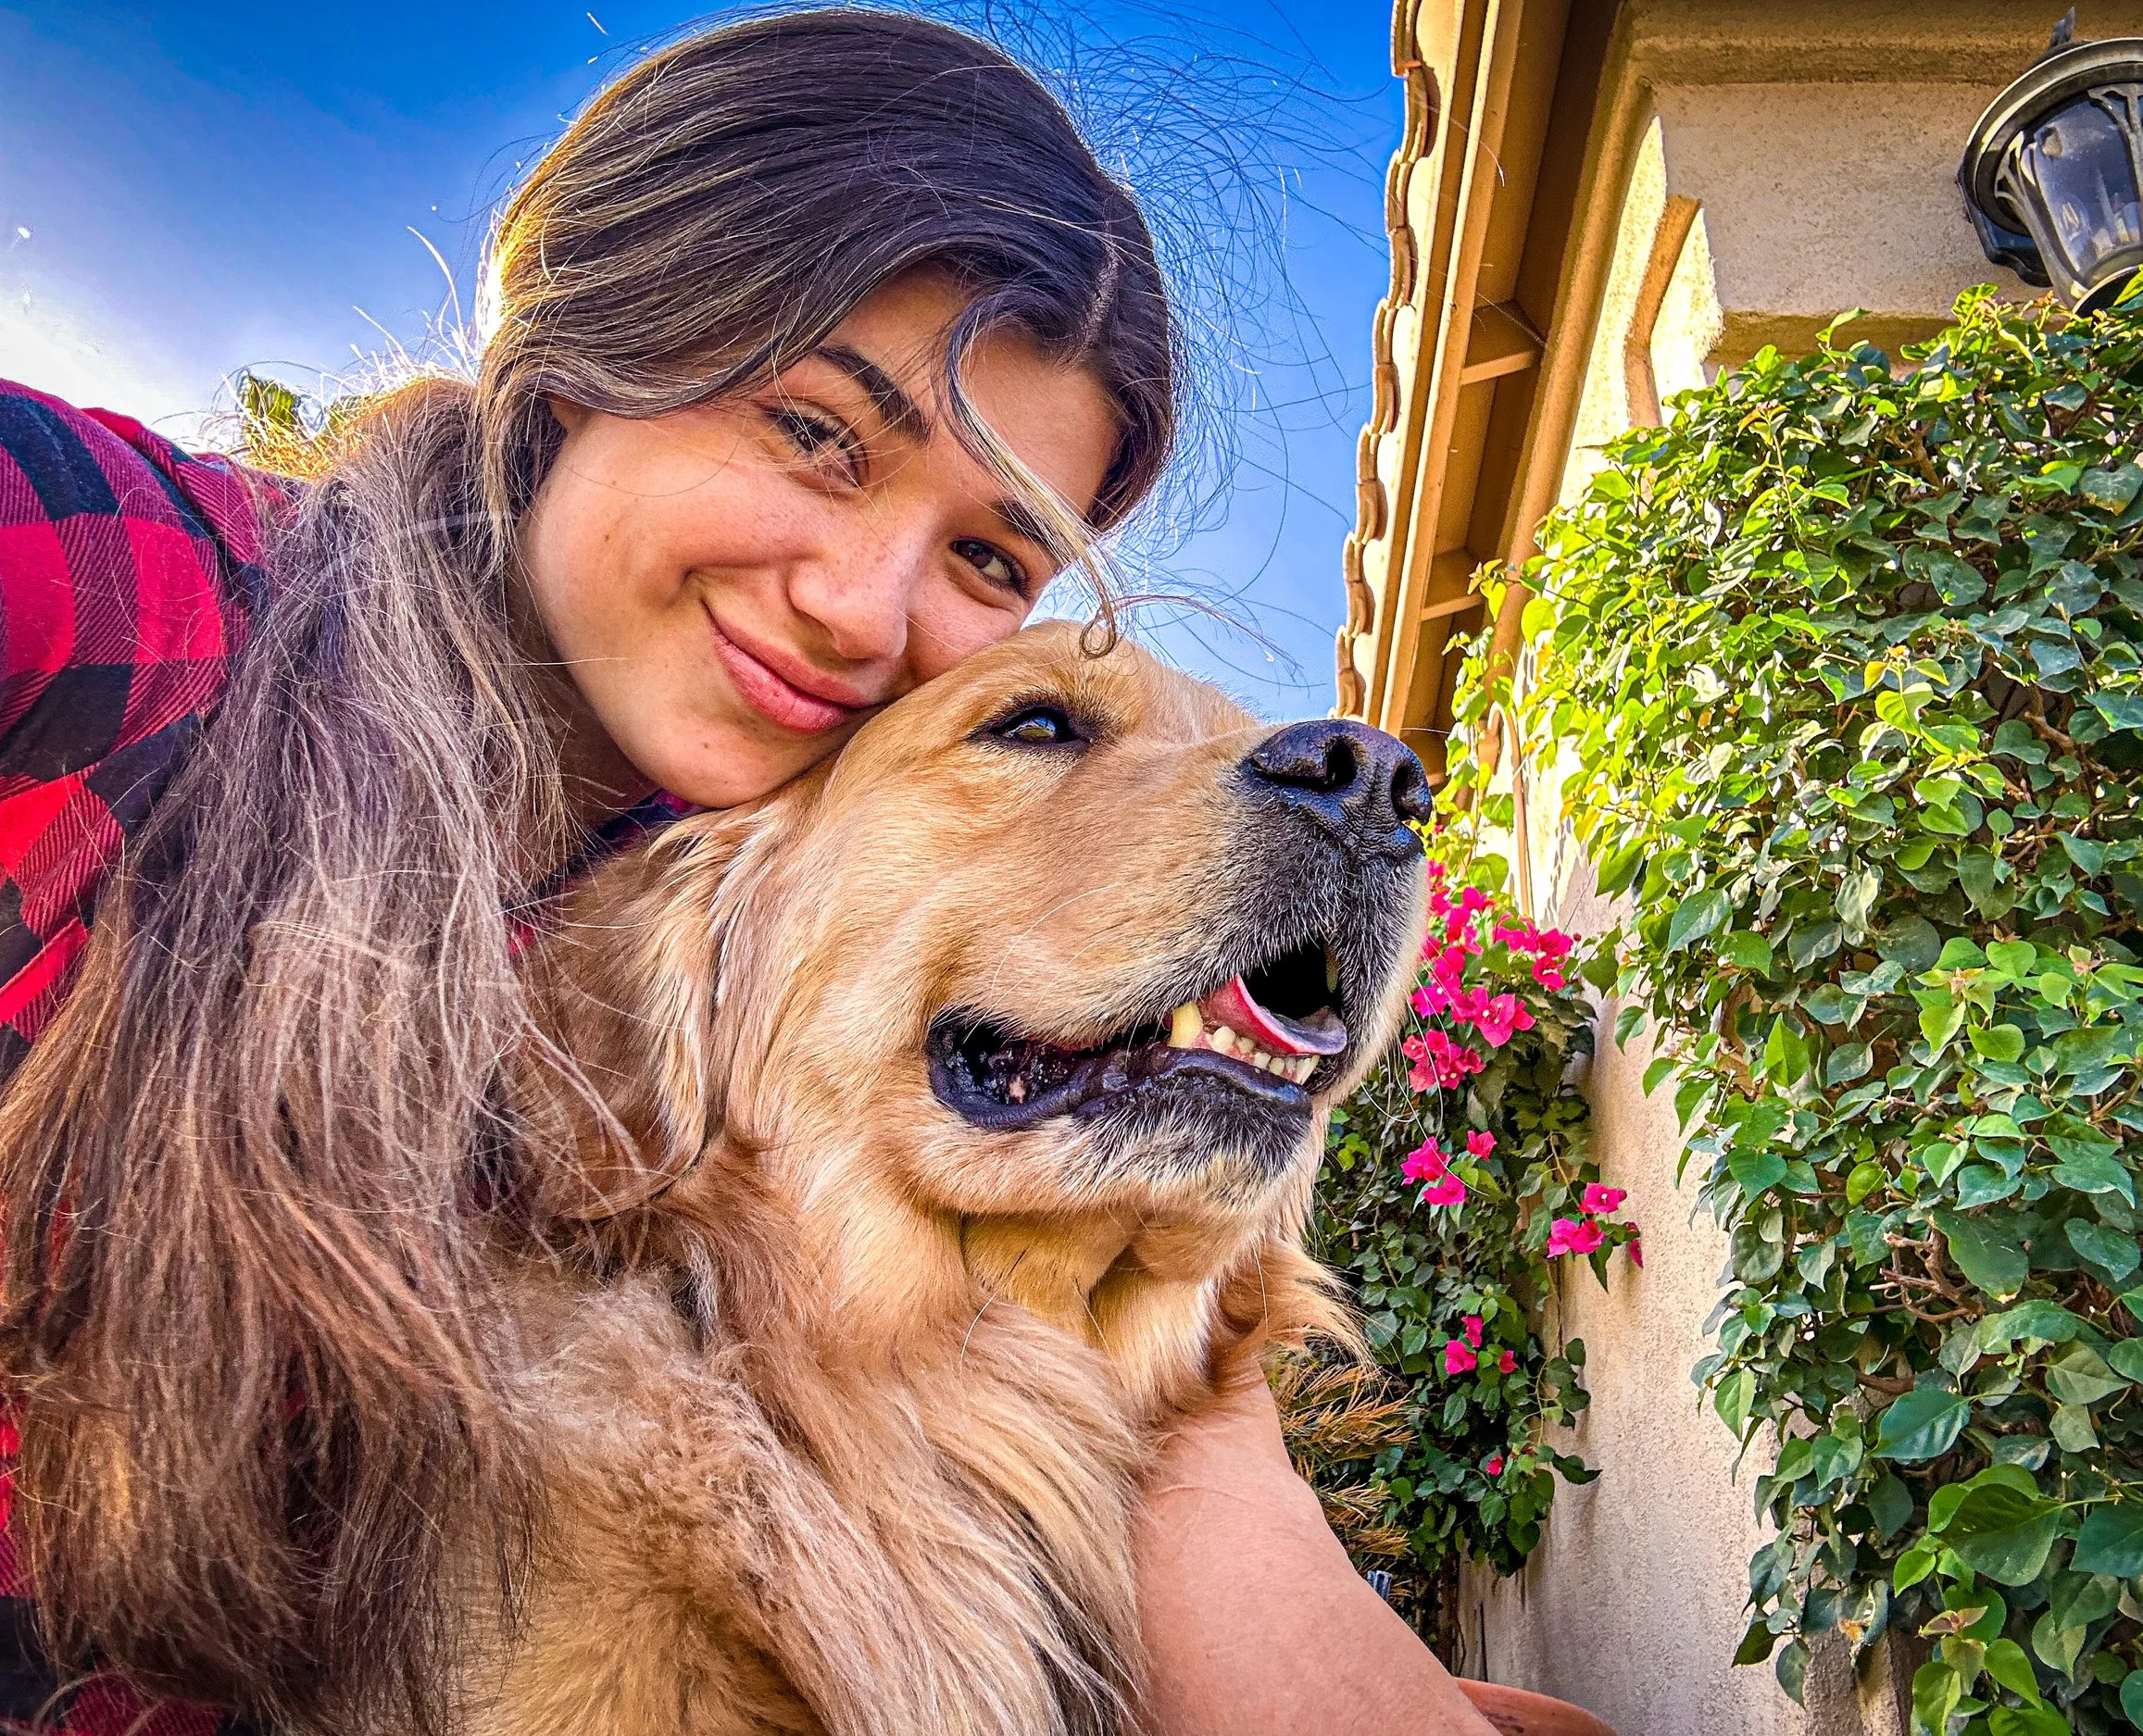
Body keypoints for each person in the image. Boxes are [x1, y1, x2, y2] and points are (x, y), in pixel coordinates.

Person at [0, 12, 1497, 1735]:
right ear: (576, 356)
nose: (863, 611)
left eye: (990, 552)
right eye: (816, 430)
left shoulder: (735, 952)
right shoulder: (152, 599)